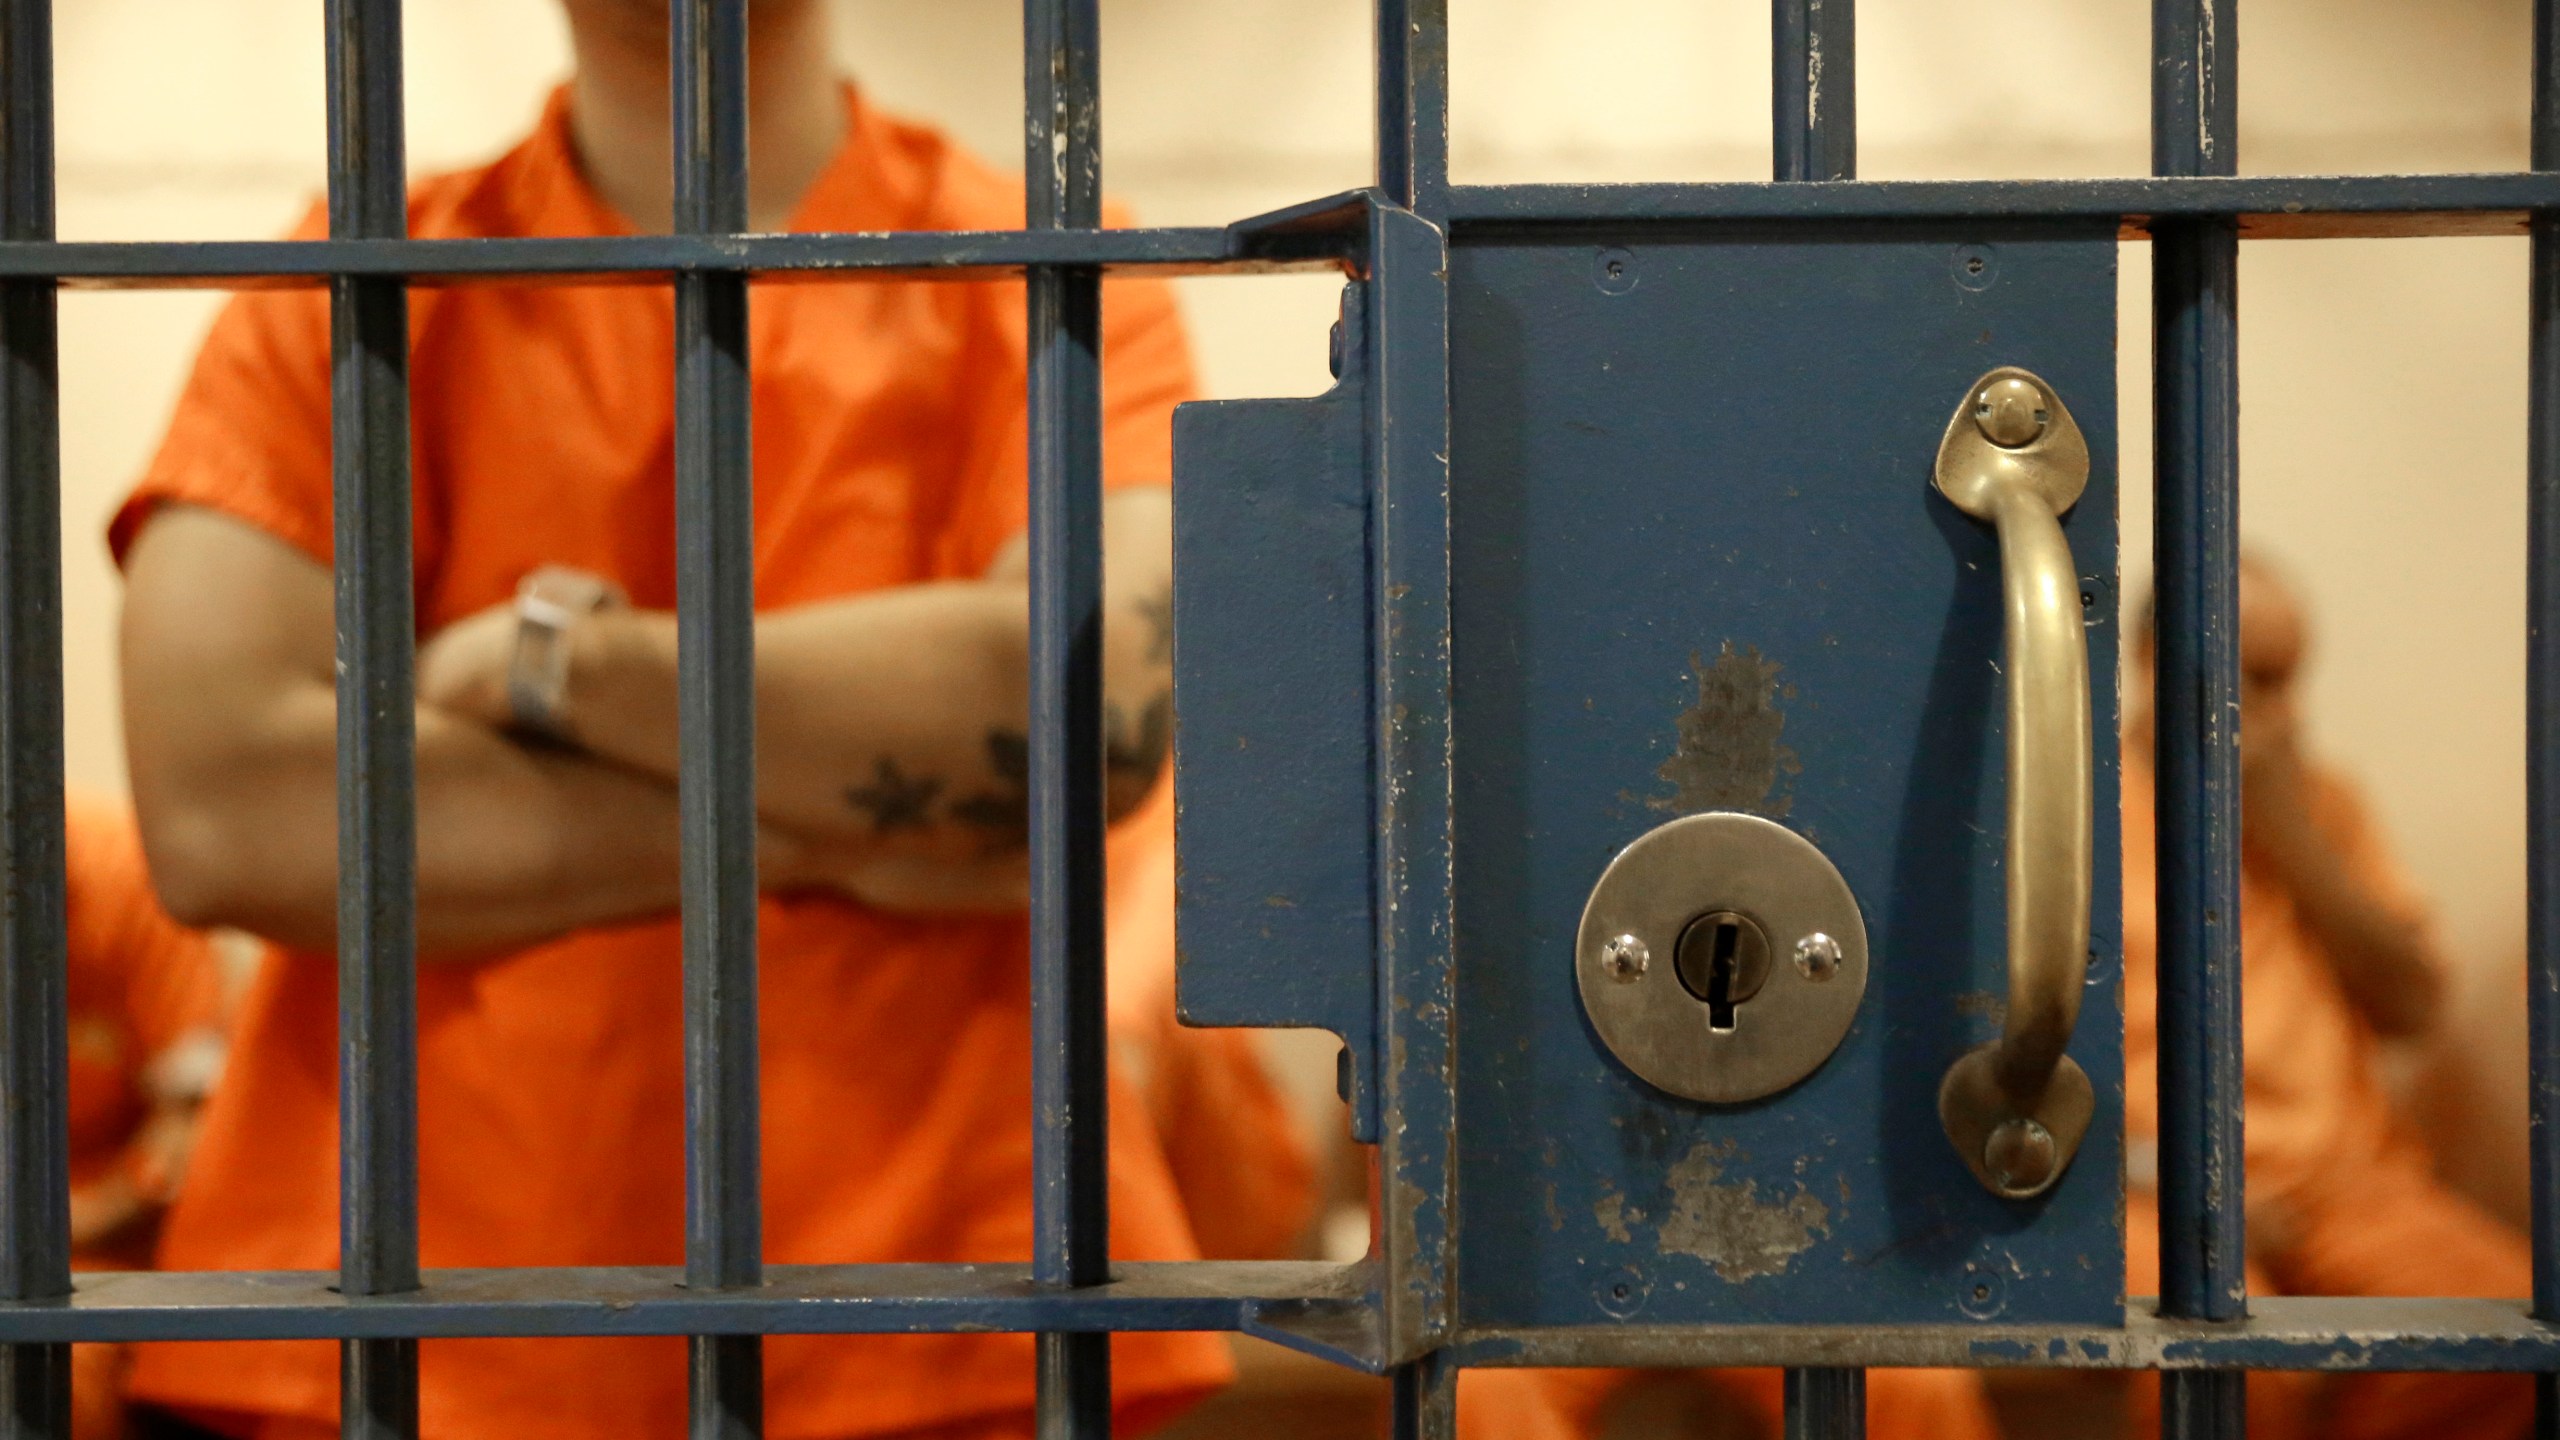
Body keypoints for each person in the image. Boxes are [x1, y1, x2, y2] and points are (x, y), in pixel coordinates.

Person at [112, 1, 1231, 1435]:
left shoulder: (1058, 272)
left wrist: (571, 672)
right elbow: (225, 815)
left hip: (949, 1316)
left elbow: (1088, 719)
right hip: (405, 1329)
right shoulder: (350, 284)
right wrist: (838, 831)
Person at [2122, 556, 2532, 1440]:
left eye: (2291, 681)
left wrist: (2293, 837)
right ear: (2154, 659)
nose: (2287, 714)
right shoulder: (2078, 809)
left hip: (2347, 1186)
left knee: (2503, 1330)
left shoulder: (2321, 804)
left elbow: (2413, 1006)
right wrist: (2168, 1182)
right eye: (2257, 680)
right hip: (2151, 1192)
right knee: (2226, 1375)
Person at [57, 790, 229, 1440]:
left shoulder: (127, 875)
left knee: (52, 1369)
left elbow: (195, 1118)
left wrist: (82, 1219)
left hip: (93, 1252)